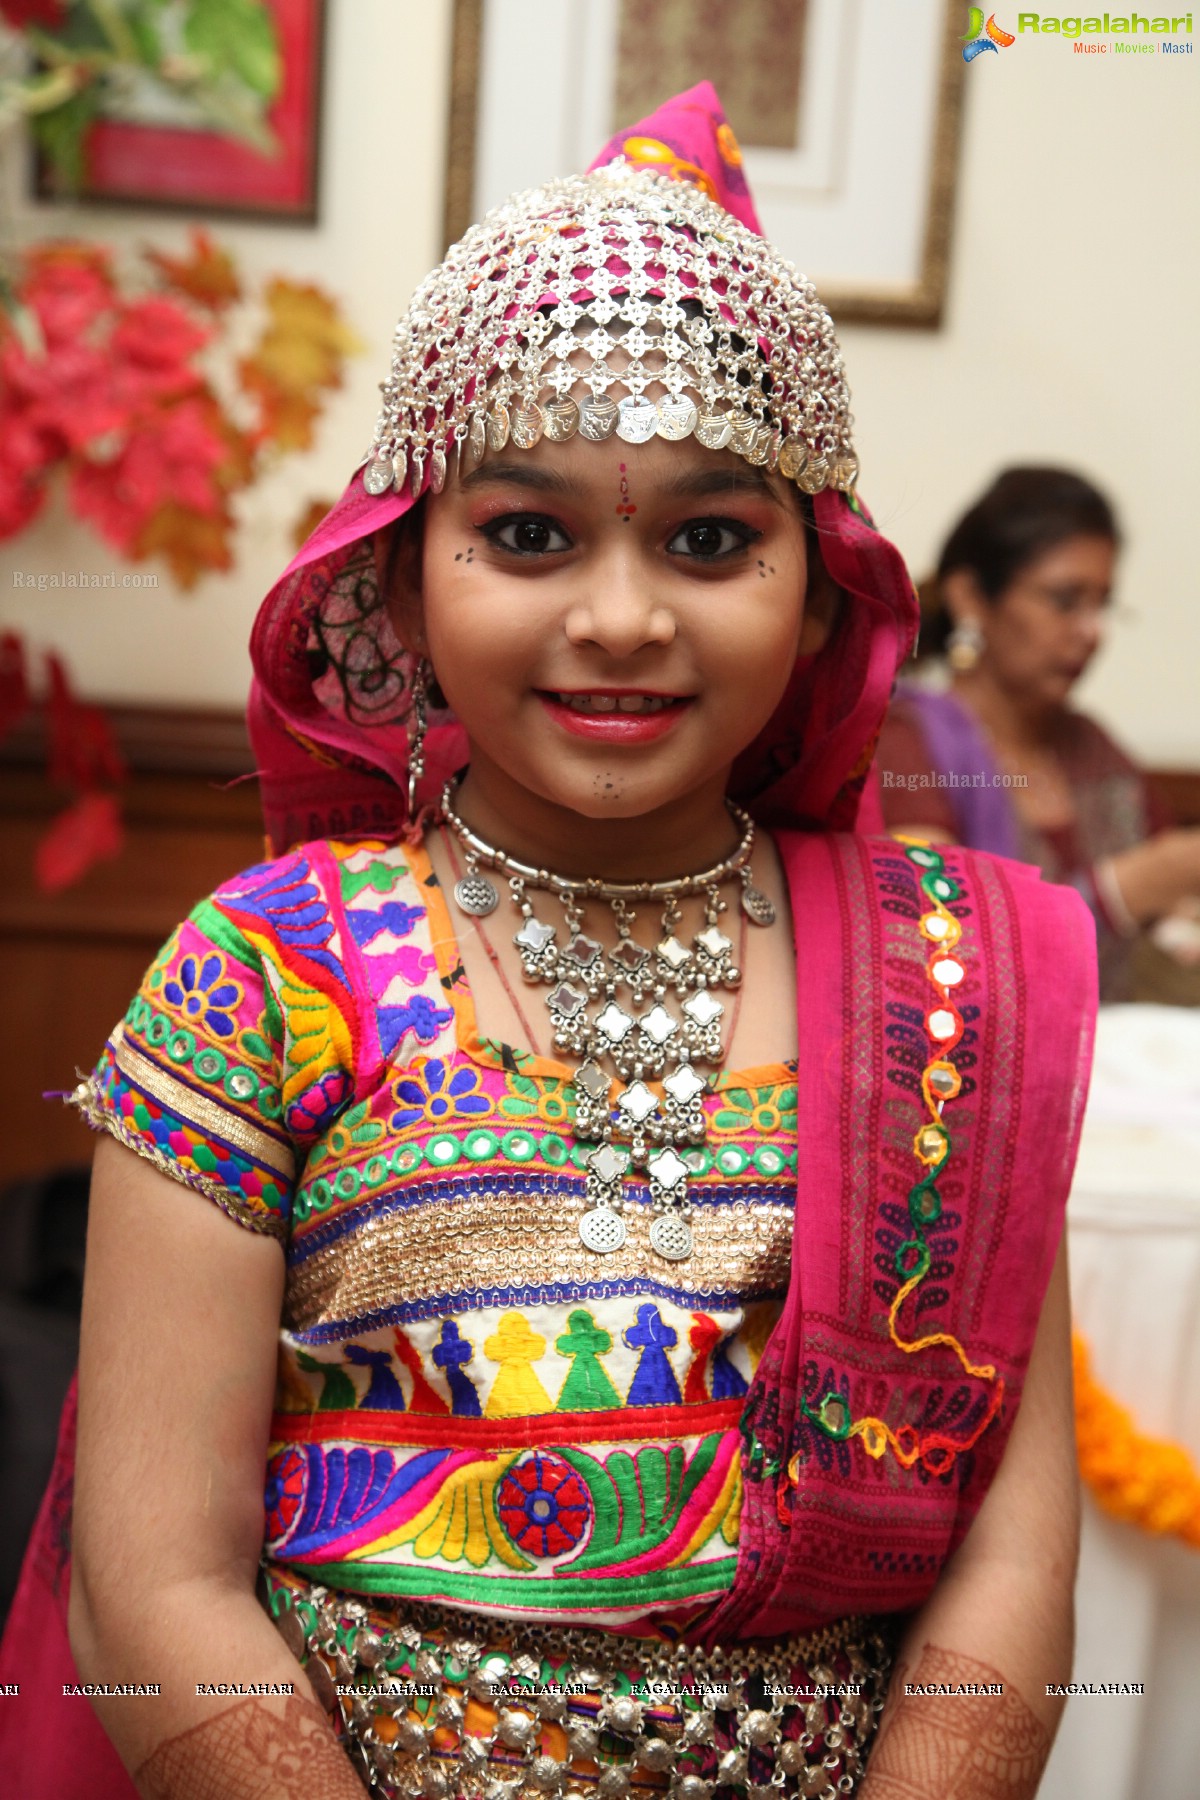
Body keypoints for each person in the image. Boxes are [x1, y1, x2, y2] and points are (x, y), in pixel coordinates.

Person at [0, 87, 1096, 1800]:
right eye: (526, 534)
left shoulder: (955, 990)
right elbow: (155, 1585)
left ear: (819, 598)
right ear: (402, 585)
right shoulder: (262, 975)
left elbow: (1009, 1572)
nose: (619, 615)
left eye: (712, 539)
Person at [877, 467, 1200, 1001]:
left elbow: (1170, 911)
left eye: (1102, 604)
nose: (1092, 631)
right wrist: (1123, 892)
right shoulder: (909, 747)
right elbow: (941, 951)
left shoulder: (1091, 747)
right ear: (970, 598)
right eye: (1065, 600)